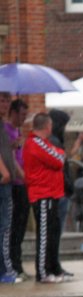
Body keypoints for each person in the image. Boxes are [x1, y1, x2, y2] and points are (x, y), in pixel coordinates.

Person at [24, 112, 68, 284]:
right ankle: (42, 272)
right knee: (44, 236)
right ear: (47, 126)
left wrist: (59, 153)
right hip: (42, 194)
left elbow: (58, 155)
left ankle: (51, 268)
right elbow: (59, 159)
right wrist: (60, 153)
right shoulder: (36, 142)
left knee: (50, 234)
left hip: (50, 193)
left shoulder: (43, 143)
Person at [8, 99, 29, 281]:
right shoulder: (7, 130)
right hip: (15, 183)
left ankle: (18, 262)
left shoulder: (19, 132)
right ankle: (13, 264)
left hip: (22, 183)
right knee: (14, 226)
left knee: (21, 226)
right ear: (13, 113)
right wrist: (23, 176)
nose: (23, 118)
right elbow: (10, 157)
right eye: (22, 114)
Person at [0, 92, 16, 284]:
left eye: (7, 101)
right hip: (3, 183)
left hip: (6, 182)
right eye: (2, 100)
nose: (5, 104)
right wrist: (4, 171)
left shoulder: (3, 126)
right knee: (4, 227)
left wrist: (12, 147)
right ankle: (5, 270)